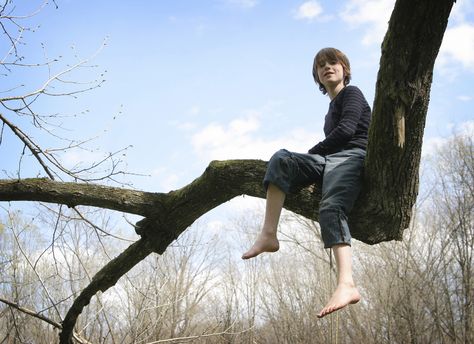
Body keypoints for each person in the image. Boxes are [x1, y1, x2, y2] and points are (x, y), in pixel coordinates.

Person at [241, 47, 372, 318]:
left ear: (344, 68)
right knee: (282, 159)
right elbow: (331, 141)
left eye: (332, 62)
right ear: (318, 78)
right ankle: (268, 234)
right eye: (320, 66)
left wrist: (313, 152)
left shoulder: (352, 93)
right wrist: (313, 156)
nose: (327, 67)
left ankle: (347, 284)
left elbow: (347, 131)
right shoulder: (329, 111)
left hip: (352, 156)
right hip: (331, 159)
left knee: (331, 207)